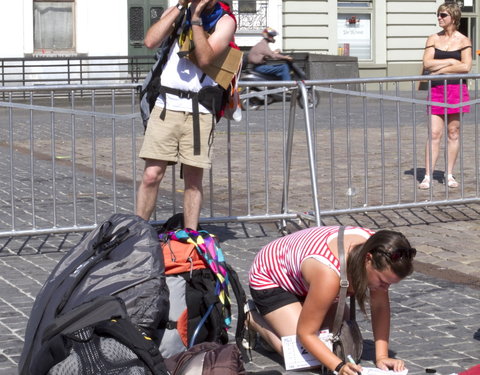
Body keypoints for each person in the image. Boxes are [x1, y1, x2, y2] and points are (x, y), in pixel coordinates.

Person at [246, 226, 416, 374]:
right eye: (383, 282)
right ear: (368, 260)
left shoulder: (382, 249)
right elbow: (306, 333)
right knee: (307, 357)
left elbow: (380, 306)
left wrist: (382, 357)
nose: (385, 289)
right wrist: (339, 366)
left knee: (337, 343)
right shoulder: (329, 274)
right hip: (271, 278)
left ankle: (289, 315)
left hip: (309, 279)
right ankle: (253, 319)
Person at [135, 0, 236, 229]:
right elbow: (150, 41)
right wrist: (181, 8)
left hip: (199, 110)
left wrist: (197, 19)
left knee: (193, 180)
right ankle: (138, 234)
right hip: (166, 106)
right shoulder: (178, 12)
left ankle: (190, 237)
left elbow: (204, 59)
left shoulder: (225, 21)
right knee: (151, 174)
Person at [419, 2, 472, 190]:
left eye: (443, 15)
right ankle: (427, 175)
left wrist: (441, 67)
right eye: (438, 15)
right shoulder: (433, 38)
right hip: (436, 90)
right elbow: (426, 63)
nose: (439, 18)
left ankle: (449, 174)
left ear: (454, 17)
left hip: (456, 90)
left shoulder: (463, 40)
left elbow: (466, 67)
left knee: (453, 132)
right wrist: (451, 62)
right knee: (434, 133)